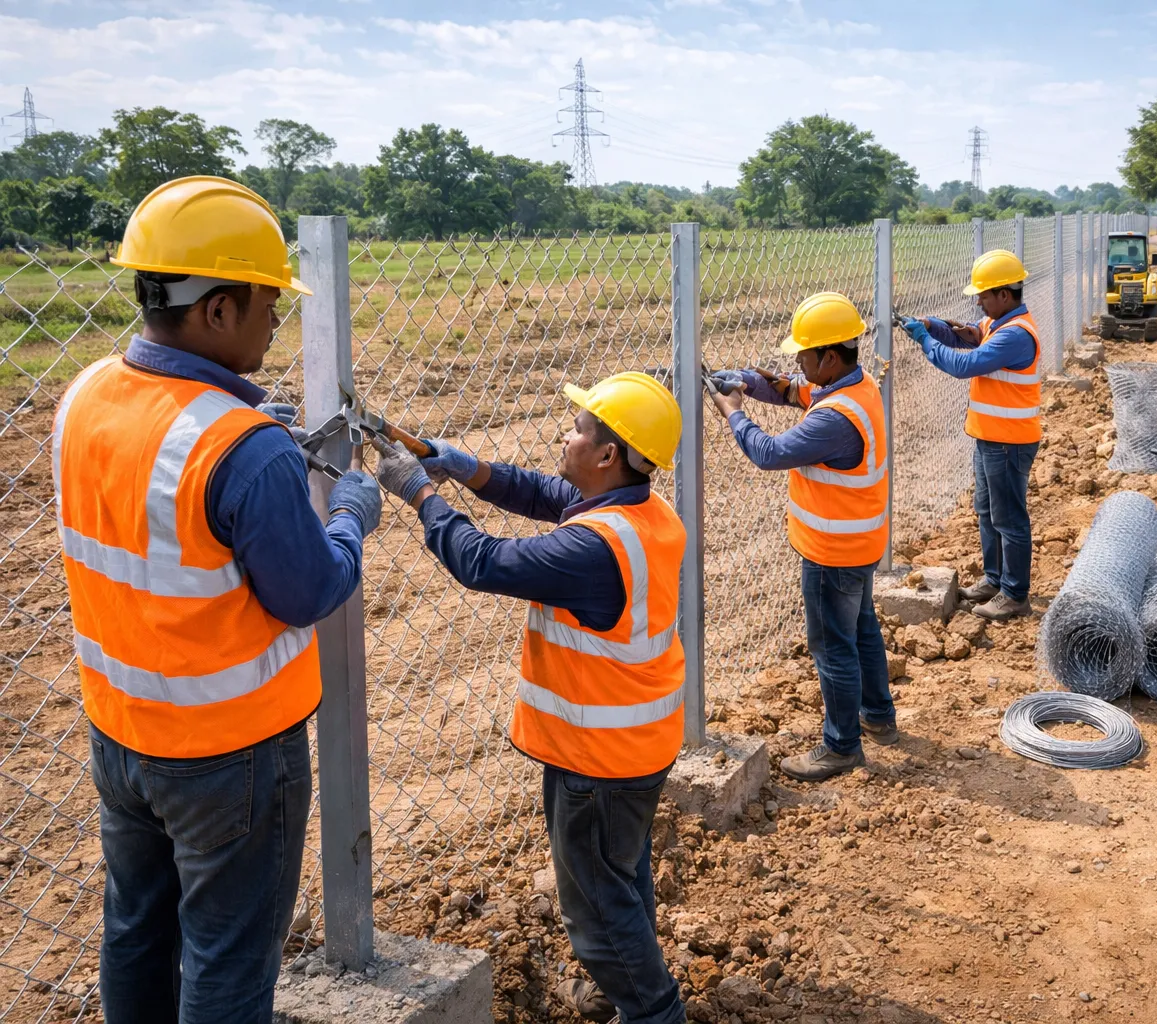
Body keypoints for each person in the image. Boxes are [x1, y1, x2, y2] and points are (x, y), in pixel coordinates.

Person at [55, 176, 380, 1022]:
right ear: (218, 312)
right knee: (227, 962)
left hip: (121, 730)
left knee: (136, 928)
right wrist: (350, 511)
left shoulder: (85, 395)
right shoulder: (245, 449)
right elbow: (310, 588)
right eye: (268, 302)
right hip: (230, 755)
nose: (277, 321)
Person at [371, 372, 687, 1024]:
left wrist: (421, 493)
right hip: (636, 746)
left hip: (597, 760)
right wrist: (464, 466)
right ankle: (628, 993)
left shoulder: (592, 549)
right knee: (620, 880)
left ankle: (653, 1011)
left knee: (598, 910)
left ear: (606, 455)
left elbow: (481, 561)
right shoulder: (642, 512)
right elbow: (547, 492)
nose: (563, 435)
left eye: (577, 429)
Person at [705, 291, 895, 783]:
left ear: (829, 357)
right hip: (859, 543)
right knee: (861, 630)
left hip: (833, 551)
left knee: (833, 646)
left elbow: (768, 452)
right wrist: (747, 381)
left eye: (804, 354)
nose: (797, 362)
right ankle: (878, 716)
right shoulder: (855, 386)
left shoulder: (834, 418)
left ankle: (841, 746)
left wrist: (733, 410)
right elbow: (791, 390)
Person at [898, 249, 1041, 621]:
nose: (979, 301)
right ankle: (995, 580)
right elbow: (968, 334)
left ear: (1004, 296)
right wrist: (933, 326)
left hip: (1009, 441)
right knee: (987, 511)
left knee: (1009, 518)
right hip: (991, 437)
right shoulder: (996, 325)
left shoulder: (1015, 336)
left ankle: (1015, 594)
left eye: (984, 295)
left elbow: (964, 363)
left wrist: (925, 341)